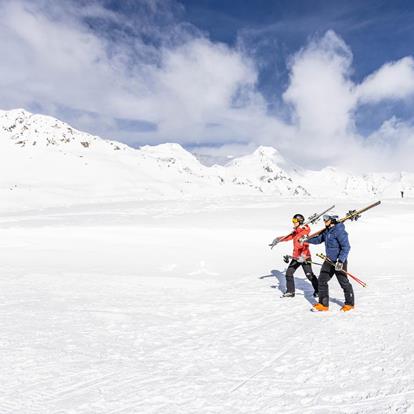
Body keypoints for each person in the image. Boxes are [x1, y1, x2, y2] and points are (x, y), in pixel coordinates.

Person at [306, 214, 354, 312]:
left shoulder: (340, 231)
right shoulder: (327, 230)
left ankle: (349, 304)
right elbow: (319, 239)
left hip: (339, 261)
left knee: (343, 282)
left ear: (332, 220)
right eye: (324, 219)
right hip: (328, 260)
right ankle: (323, 305)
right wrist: (307, 240)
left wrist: (340, 261)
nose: (324, 220)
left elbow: (346, 247)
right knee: (321, 280)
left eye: (326, 219)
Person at [272, 214, 319, 298]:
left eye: (294, 221)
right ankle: (290, 292)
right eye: (292, 221)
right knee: (289, 273)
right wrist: (278, 239)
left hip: (305, 257)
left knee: (309, 275)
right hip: (296, 257)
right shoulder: (297, 231)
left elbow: (306, 246)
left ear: (300, 221)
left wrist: (303, 256)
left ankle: (318, 291)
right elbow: (289, 237)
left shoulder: (304, 232)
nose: (293, 223)